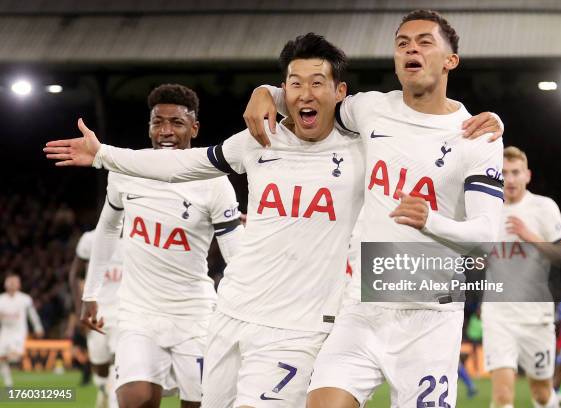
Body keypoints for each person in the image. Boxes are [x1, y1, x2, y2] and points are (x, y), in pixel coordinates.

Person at [44, 32, 501, 407]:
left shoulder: (366, 145)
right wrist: (104, 155)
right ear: (284, 90)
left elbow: (424, 131)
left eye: (318, 83)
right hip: (231, 313)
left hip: (301, 330)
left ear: (341, 94)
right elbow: (183, 165)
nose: (306, 93)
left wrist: (481, 123)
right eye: (294, 84)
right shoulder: (259, 139)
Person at [242, 9, 505, 408]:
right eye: (402, 44)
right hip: (362, 304)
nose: (410, 49)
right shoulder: (369, 108)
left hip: (429, 314)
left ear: (450, 60)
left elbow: (487, 235)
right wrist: (265, 90)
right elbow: (312, 99)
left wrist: (431, 220)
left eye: (424, 42)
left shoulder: (477, 136)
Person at [79, 84, 244, 408]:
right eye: (158, 122)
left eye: (176, 123)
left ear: (194, 128)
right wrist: (90, 293)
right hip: (138, 312)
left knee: (201, 403)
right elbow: (108, 231)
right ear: (149, 126)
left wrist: (244, 307)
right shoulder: (126, 170)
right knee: (135, 399)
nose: (166, 131)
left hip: (194, 314)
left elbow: (234, 256)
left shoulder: (213, 182)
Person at [481, 146, 561, 408]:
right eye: (504, 173)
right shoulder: (488, 208)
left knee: (542, 394)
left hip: (536, 316)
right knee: (501, 397)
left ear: (527, 175)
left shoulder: (543, 207)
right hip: (498, 316)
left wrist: (529, 235)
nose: (510, 179)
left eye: (516, 172)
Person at [71, 230, 123, 408]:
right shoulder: (89, 239)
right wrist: (81, 310)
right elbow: (74, 274)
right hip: (97, 315)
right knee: (100, 367)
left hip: (125, 314)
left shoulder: (137, 239)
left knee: (119, 364)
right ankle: (103, 390)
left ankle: (114, 401)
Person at [0, 274, 44, 387]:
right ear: (5, 284)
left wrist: (38, 327)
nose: (11, 284)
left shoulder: (25, 299)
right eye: (9, 282)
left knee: (14, 357)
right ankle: (8, 382)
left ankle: (10, 363)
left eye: (14, 282)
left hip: (19, 332)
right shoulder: (1, 299)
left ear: (19, 285)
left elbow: (32, 315)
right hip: (5, 332)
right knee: (1, 357)